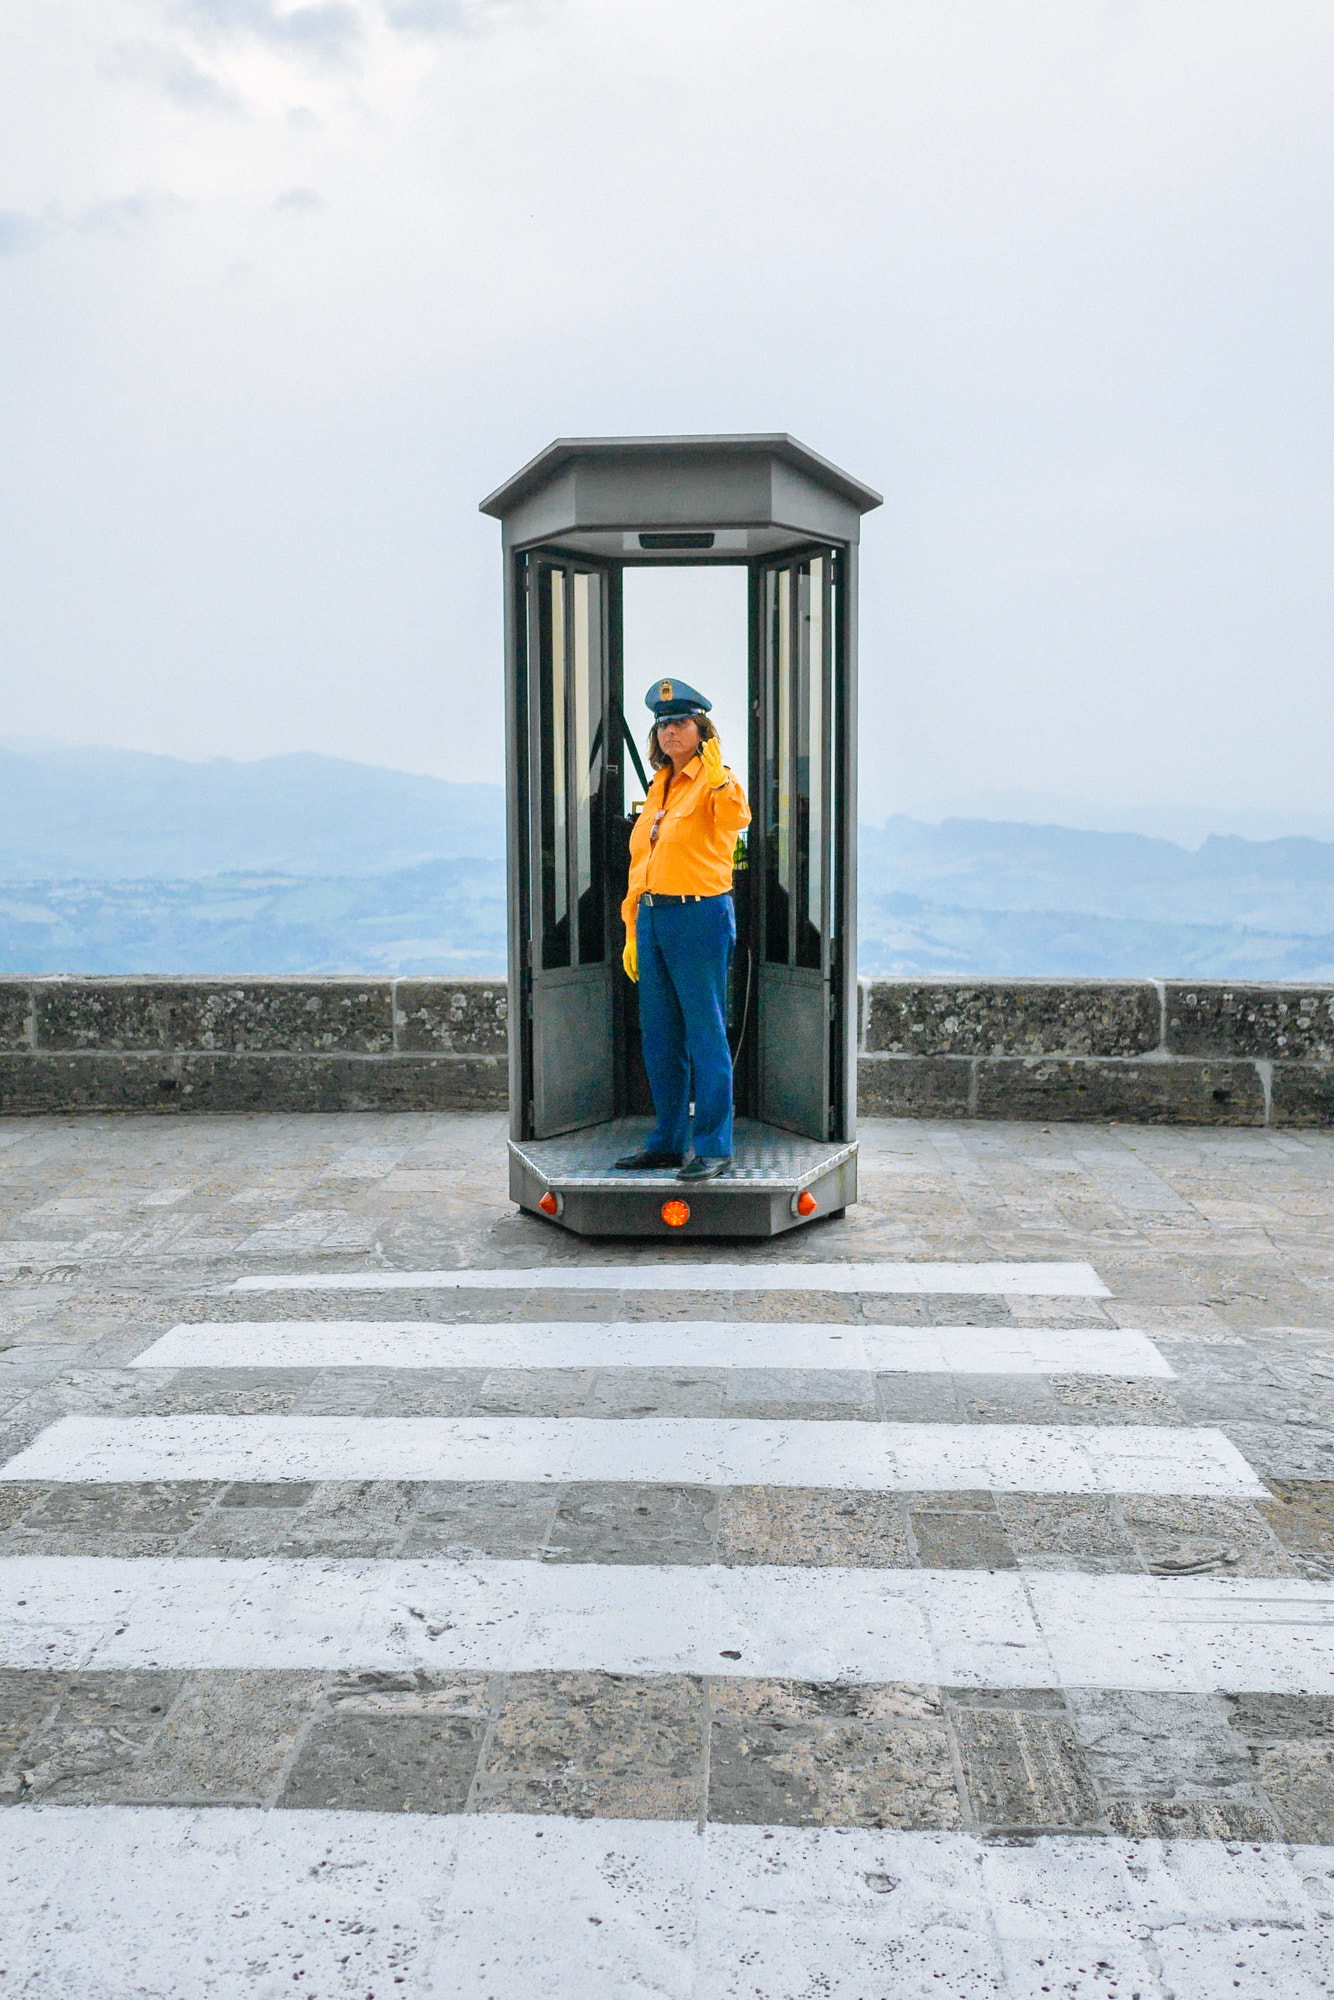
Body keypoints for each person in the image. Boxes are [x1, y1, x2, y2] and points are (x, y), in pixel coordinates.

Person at [615, 678, 751, 1182]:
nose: (671, 731)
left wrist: (717, 780)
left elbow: (738, 817)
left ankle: (714, 1146)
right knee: (661, 1038)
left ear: (702, 732)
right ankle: (668, 1142)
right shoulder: (659, 787)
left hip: (698, 917)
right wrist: (632, 929)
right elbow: (641, 863)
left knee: (705, 1034)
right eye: (663, 724)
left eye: (681, 723)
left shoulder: (717, 781)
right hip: (652, 918)